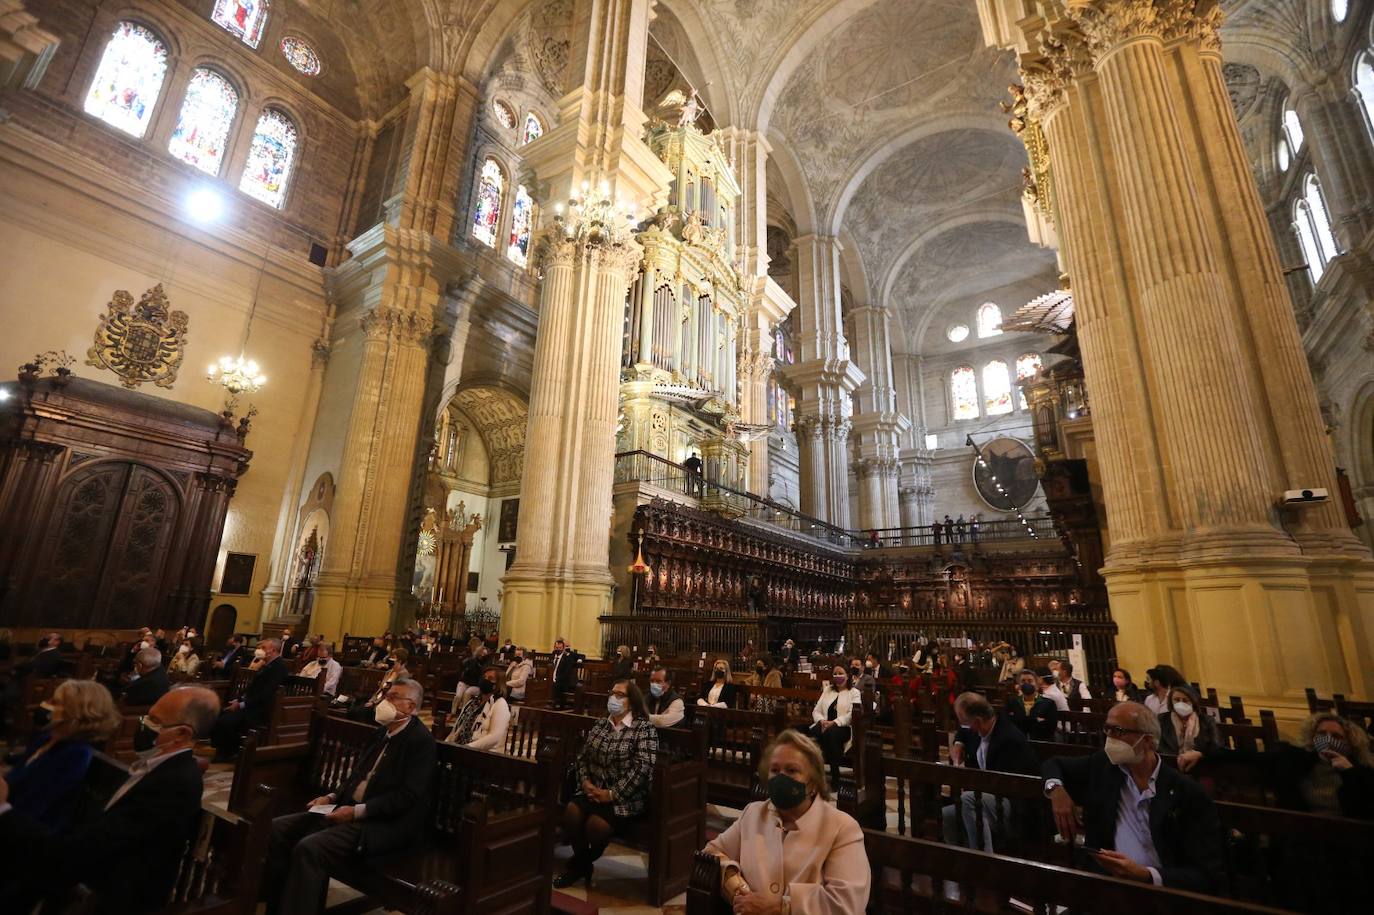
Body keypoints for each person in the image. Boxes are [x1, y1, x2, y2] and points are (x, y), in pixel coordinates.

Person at [0, 687, 220, 913]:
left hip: (112, 899)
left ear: (182, 734)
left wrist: (4, 808)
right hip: (89, 873)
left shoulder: (175, 784)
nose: (143, 723)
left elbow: (93, 848)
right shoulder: (156, 768)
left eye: (154, 720)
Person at [268, 679, 434, 915]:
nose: (385, 700)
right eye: (387, 694)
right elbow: (357, 775)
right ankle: (275, 905)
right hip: (347, 807)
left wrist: (356, 812)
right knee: (277, 829)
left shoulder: (420, 742)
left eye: (394, 696)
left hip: (380, 823)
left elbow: (407, 796)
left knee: (309, 848)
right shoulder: (381, 733)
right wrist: (331, 796)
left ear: (410, 707)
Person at [1043, 701, 1224, 893]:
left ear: (1147, 740)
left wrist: (1146, 874)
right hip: (1108, 886)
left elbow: (1207, 876)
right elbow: (1053, 764)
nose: (1109, 738)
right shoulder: (1104, 766)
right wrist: (1056, 789)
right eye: (1107, 729)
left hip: (1165, 894)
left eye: (1118, 731)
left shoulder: (1188, 793)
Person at [702, 730, 869, 913]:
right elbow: (713, 852)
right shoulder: (754, 813)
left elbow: (846, 903)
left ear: (813, 782)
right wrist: (736, 887)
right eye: (775, 770)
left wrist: (781, 907)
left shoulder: (842, 828)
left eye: (792, 770)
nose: (781, 778)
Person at [554, 678, 658, 888]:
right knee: (571, 814)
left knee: (596, 826)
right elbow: (583, 757)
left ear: (632, 701)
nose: (614, 698)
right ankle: (583, 865)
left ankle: (579, 864)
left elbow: (642, 769)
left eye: (620, 695)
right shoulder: (602, 723)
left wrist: (611, 794)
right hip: (592, 790)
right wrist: (585, 782)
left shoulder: (643, 728)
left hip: (625, 798)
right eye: (612, 693)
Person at [1180, 711, 1374, 818]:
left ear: (1349, 742)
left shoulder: (1362, 770)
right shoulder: (1295, 759)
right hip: (1303, 836)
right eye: (1321, 734)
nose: (1327, 740)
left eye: (1336, 736)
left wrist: (1350, 774)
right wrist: (1203, 753)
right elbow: (1247, 756)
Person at [4, 679, 121, 831]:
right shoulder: (46, 737)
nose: (47, 705)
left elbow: (35, 806)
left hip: (29, 831)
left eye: (56, 702)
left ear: (75, 713)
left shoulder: (76, 754)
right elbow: (14, 780)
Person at [944, 692, 1040, 851]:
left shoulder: (1009, 739)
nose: (965, 728)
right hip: (990, 800)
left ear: (978, 721)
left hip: (1016, 807)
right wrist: (958, 743)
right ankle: (961, 861)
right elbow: (963, 732)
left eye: (966, 724)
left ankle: (983, 861)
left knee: (969, 800)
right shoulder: (978, 729)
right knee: (947, 815)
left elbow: (1009, 786)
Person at [211, 637, 289, 761]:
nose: (260, 650)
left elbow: (266, 694)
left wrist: (242, 704)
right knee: (218, 714)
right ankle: (225, 749)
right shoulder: (266, 665)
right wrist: (239, 699)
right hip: (251, 705)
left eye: (263, 648)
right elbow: (251, 688)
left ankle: (232, 751)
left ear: (273, 650)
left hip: (262, 709)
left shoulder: (279, 668)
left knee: (225, 722)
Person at [806, 666, 862, 786]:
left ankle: (835, 775)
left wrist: (835, 722)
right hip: (824, 724)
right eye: (835, 674)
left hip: (843, 727)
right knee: (813, 732)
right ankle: (813, 775)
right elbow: (816, 710)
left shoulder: (854, 693)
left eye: (840, 673)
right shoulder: (828, 690)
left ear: (847, 675)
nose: (837, 676)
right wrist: (821, 721)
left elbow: (852, 714)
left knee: (831, 734)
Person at [445, 667, 511, 750]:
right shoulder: (473, 702)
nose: (485, 680)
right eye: (484, 677)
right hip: (462, 748)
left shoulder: (500, 704)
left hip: (483, 754)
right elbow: (458, 727)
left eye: (490, 678)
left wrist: (467, 748)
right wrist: (447, 743)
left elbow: (494, 737)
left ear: (497, 685)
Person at [1156, 685, 1220, 757]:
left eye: (1185, 700)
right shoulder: (1161, 719)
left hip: (1200, 762)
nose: (1181, 703)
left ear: (1193, 702)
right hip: (1172, 762)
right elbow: (1158, 745)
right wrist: (1178, 759)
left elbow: (1216, 746)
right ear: (1171, 701)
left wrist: (1199, 755)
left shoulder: (1207, 721)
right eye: (1177, 700)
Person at [1005, 669, 1059, 741]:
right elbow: (1008, 724)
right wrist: (1036, 720)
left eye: (1030, 681)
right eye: (1023, 681)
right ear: (1019, 685)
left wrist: (1021, 720)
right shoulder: (1012, 702)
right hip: (1018, 742)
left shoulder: (1049, 703)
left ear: (1036, 684)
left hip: (1041, 743)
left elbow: (1050, 728)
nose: (1027, 683)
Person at [550, 637, 579, 709]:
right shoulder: (553, 655)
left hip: (562, 680)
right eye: (556, 647)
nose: (557, 649)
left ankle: (556, 705)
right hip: (551, 677)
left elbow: (566, 673)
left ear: (563, 648)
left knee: (557, 685)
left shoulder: (567, 658)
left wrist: (556, 679)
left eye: (559, 648)